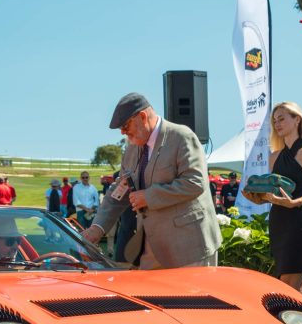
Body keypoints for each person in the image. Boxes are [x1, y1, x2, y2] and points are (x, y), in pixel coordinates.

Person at [82, 92, 221, 269]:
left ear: (142, 117)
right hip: (151, 251)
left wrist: (149, 197)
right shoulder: (132, 148)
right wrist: (98, 227)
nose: (123, 132)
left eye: (125, 126)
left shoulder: (181, 137)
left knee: (192, 298)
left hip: (189, 248)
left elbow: (195, 182)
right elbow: (118, 191)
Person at [264, 102, 302, 296]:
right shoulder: (274, 157)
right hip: (277, 223)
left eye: (282, 118)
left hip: (297, 225)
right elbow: (271, 192)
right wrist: (259, 196)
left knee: (287, 289)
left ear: (296, 119)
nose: (277, 124)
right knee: (300, 290)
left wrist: (294, 203)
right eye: (275, 121)